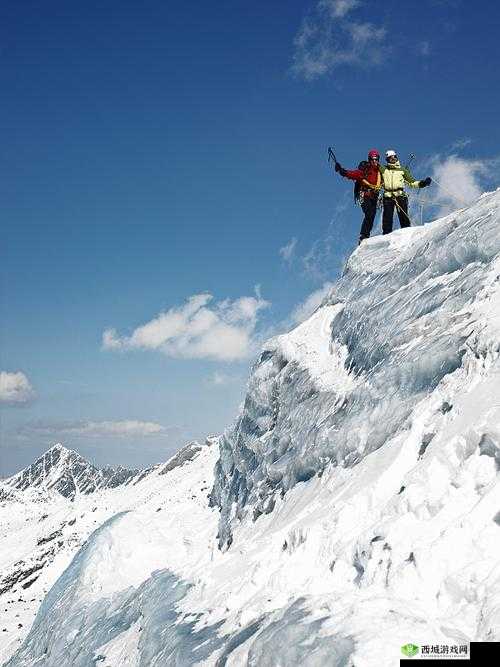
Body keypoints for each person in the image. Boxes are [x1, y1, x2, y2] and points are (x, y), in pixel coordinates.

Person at [379, 149, 431, 234]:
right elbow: (375, 168)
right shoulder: (383, 169)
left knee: (404, 216)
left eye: (394, 157)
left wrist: (423, 183)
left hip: (400, 195)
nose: (393, 159)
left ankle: (407, 233)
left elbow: (412, 182)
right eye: (390, 158)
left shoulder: (402, 170)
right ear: (387, 159)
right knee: (387, 218)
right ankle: (386, 235)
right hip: (388, 196)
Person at [335, 149, 382, 243]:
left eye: (376, 159)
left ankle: (366, 235)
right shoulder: (364, 170)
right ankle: (363, 236)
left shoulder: (380, 172)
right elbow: (352, 174)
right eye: (372, 159)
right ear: (369, 160)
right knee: (369, 213)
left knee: (372, 215)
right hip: (364, 195)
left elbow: (386, 180)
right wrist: (341, 171)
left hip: (374, 196)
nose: (374, 161)